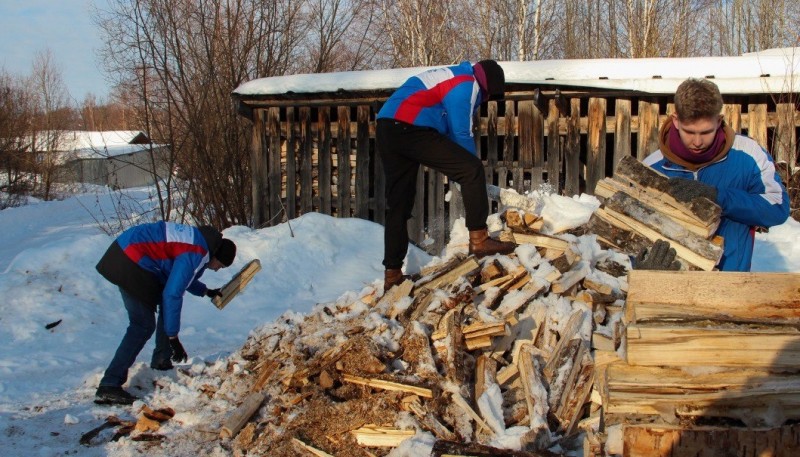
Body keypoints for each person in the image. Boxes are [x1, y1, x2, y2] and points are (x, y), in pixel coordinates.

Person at [376, 59, 516, 290]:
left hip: (387, 127)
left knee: (398, 206)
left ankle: (392, 276)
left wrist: (458, 172)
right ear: (487, 85)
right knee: (472, 168)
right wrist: (466, 171)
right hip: (410, 126)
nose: (488, 100)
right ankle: (479, 240)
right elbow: (461, 132)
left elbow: (449, 134)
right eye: (491, 95)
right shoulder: (467, 82)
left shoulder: (451, 77)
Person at [642, 78, 789, 271]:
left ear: (718, 121)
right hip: (672, 289)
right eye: (689, 132)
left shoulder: (749, 155)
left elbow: (777, 208)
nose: (697, 141)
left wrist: (718, 197)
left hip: (730, 286)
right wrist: (644, 265)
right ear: (676, 120)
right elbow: (633, 229)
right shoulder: (652, 167)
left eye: (705, 132)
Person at [94, 221, 236, 405]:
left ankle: (161, 360)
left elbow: (181, 276)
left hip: (128, 251)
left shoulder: (200, 242)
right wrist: (173, 337)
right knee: (142, 325)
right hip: (130, 258)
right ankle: (109, 385)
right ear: (216, 255)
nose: (217, 269)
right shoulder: (197, 252)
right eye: (221, 265)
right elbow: (173, 293)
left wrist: (205, 291)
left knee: (161, 304)